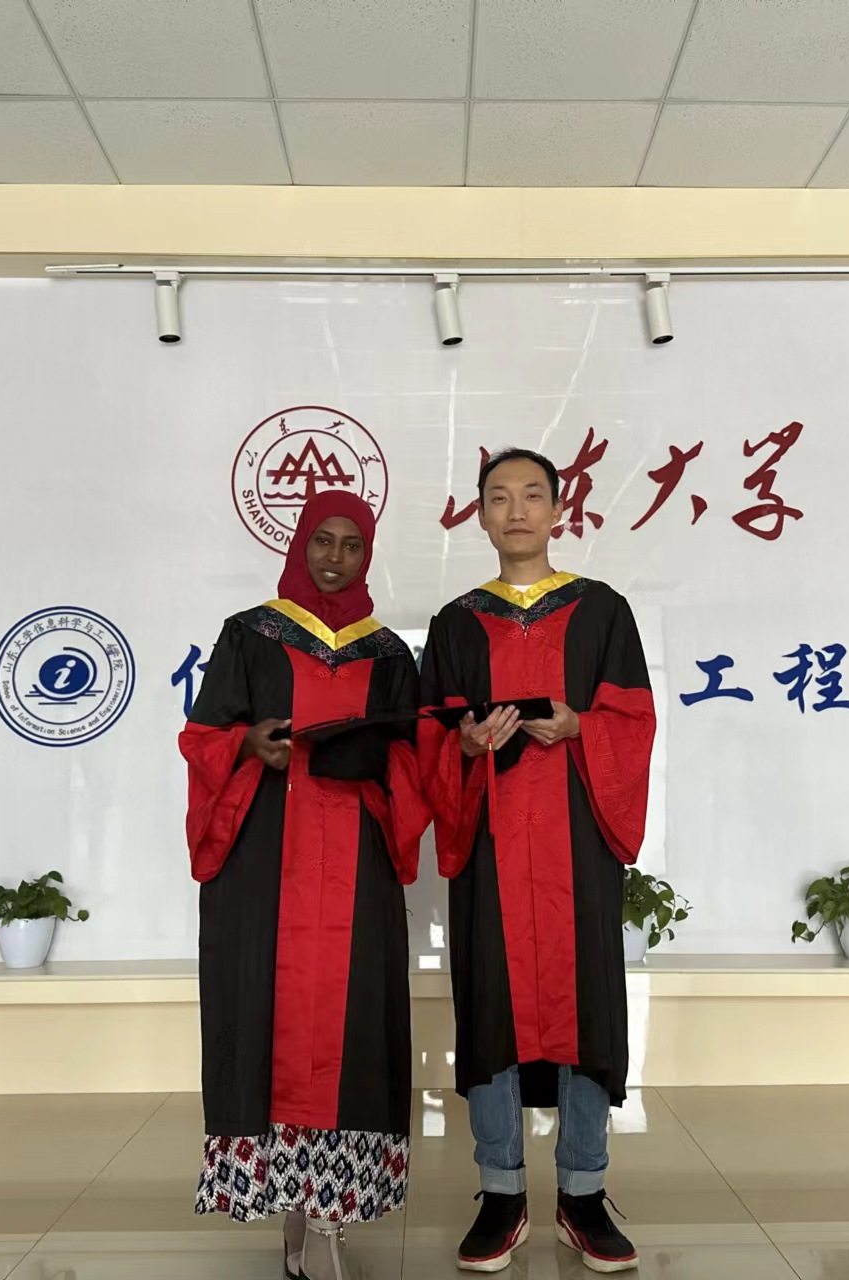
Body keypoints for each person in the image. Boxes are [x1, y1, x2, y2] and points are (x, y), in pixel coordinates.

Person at [419, 448, 656, 1274]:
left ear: (559, 510)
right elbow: (427, 733)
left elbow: (633, 718)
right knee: (493, 1005)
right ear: (479, 516)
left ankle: (584, 1193)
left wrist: (579, 725)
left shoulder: (602, 611)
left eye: (531, 496)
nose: (515, 510)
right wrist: (464, 742)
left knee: (585, 1005)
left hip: (577, 845)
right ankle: (502, 1192)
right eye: (498, 497)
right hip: (490, 846)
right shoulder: (456, 623)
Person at [181, 491, 429, 1280]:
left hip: (354, 859)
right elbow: (204, 736)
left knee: (350, 1022)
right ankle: (291, 1211)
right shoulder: (250, 634)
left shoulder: (388, 655)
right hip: (266, 859)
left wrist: (378, 761)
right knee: (270, 1013)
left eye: (352, 545)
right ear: (299, 543)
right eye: (323, 540)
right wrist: (249, 743)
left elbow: (411, 758)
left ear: (367, 554)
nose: (335, 557)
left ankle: (330, 1215)